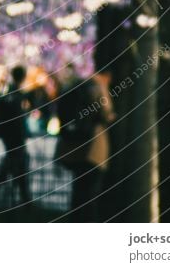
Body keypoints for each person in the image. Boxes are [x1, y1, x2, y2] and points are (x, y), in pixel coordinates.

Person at [55, 65, 115, 222]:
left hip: (75, 146)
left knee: (79, 191)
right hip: (93, 148)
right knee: (90, 194)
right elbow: (106, 114)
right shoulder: (98, 87)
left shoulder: (78, 85)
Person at [0, 65, 32, 206]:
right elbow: (17, 118)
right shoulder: (16, 94)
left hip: (10, 136)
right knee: (17, 166)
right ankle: (24, 201)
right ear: (23, 76)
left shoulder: (10, 92)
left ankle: (24, 200)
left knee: (12, 167)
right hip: (15, 137)